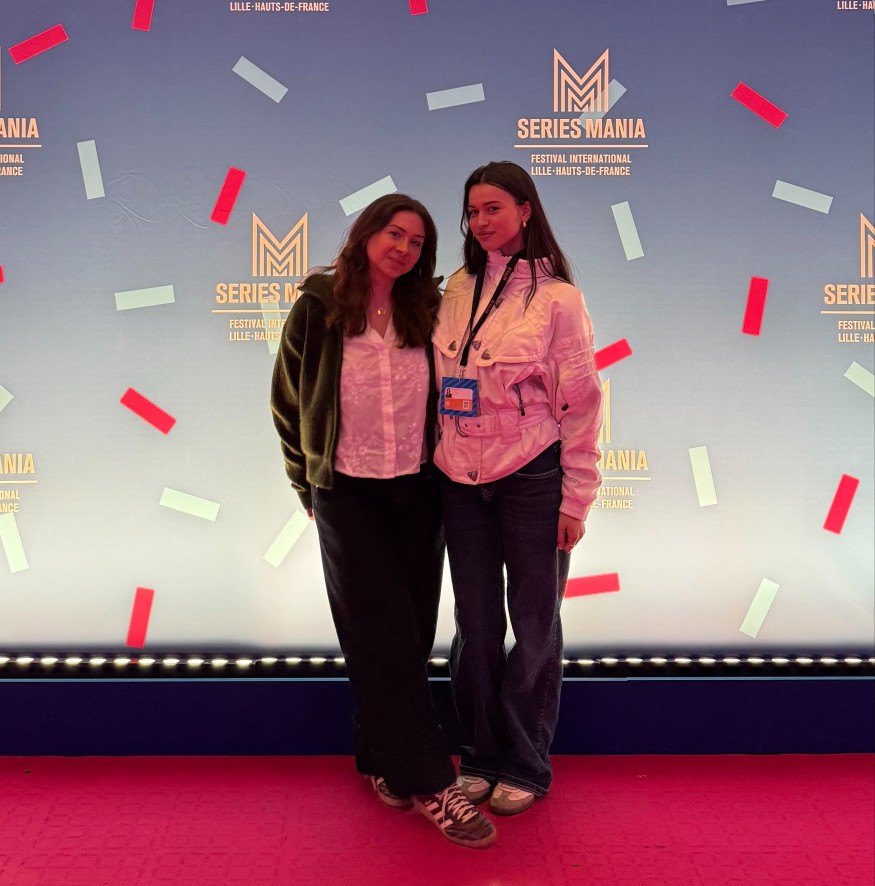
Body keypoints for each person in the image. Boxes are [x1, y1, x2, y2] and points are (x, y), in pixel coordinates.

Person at [270, 193, 496, 849]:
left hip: (418, 490)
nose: (403, 248)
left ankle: (379, 756)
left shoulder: (426, 307)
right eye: (394, 234)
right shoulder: (318, 304)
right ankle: (433, 783)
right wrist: (304, 481)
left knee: (410, 632)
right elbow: (287, 399)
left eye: (416, 242)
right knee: (380, 633)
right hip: (346, 493)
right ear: (367, 234)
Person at [432, 162, 603, 816]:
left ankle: (526, 762)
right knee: (474, 626)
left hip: (532, 477)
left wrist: (575, 497)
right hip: (458, 479)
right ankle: (478, 754)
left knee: (534, 625)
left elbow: (581, 403)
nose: (480, 222)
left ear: (525, 210)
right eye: (472, 211)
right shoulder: (455, 288)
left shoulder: (558, 300)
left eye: (493, 208)